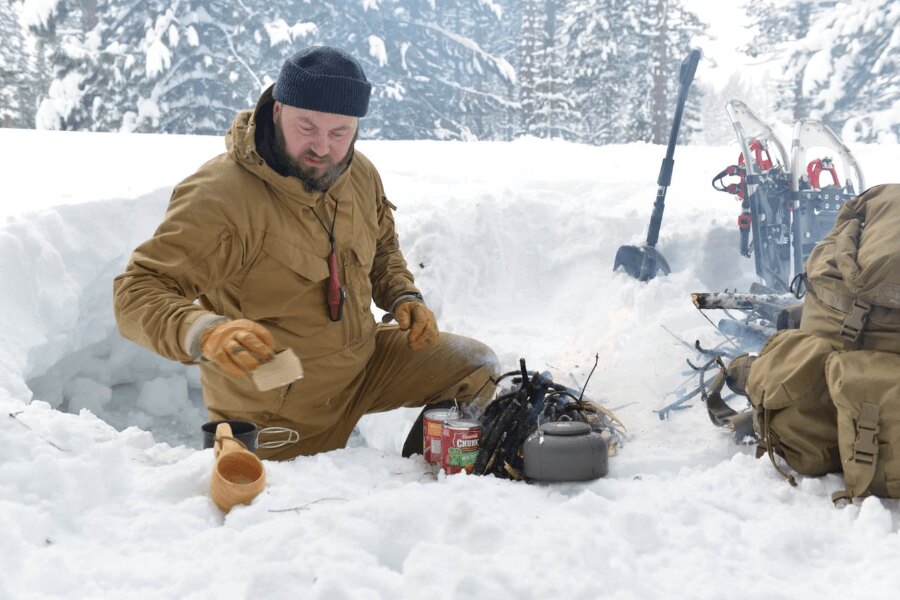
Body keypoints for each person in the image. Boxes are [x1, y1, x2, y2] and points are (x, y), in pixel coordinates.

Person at [113, 46, 499, 460]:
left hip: (362, 366)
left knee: (475, 365)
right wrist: (206, 331)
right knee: (299, 514)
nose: (322, 148)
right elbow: (137, 291)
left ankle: (434, 481)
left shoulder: (358, 173)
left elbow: (382, 247)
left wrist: (403, 296)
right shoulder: (221, 196)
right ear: (278, 110)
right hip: (278, 403)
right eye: (307, 127)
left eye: (339, 133)